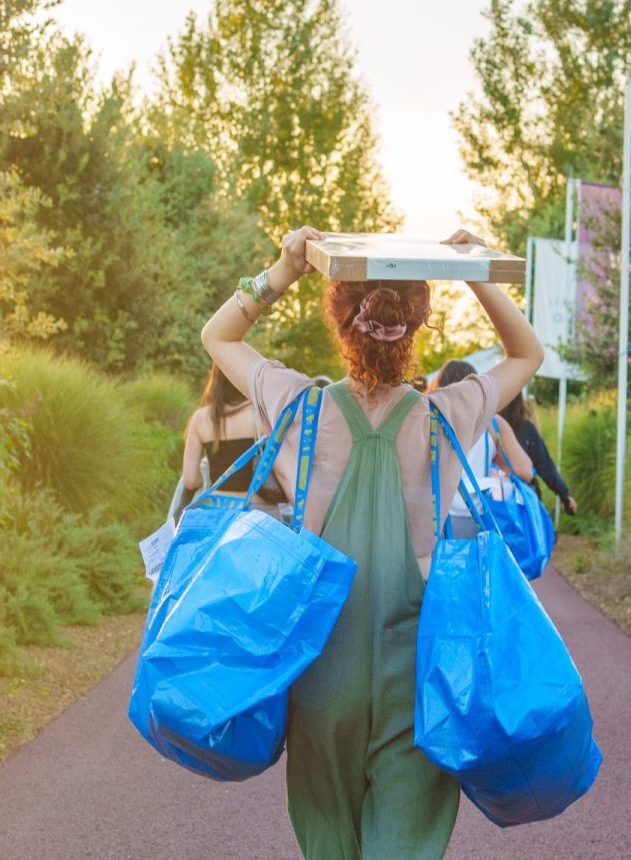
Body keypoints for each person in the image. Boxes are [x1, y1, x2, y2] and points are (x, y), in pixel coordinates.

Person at [201, 225, 543, 859]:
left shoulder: (299, 407)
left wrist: (283, 271)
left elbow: (217, 335)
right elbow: (527, 354)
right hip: (416, 667)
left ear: (340, 318)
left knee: (330, 841)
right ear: (416, 324)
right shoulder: (447, 414)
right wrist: (475, 274)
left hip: (322, 666)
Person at [432, 359, 534, 538]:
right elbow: (525, 471)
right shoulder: (493, 424)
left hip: (435, 516)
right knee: (475, 565)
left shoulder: (429, 419)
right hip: (477, 517)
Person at [180, 364, 278, 510]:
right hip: (258, 510)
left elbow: (190, 480)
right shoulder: (263, 414)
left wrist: (206, 479)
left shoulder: (200, 418)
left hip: (218, 510)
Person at [498, 389, 577, 516]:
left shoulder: (485, 427)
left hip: (488, 500)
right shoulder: (526, 429)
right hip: (522, 501)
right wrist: (564, 495)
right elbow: (545, 465)